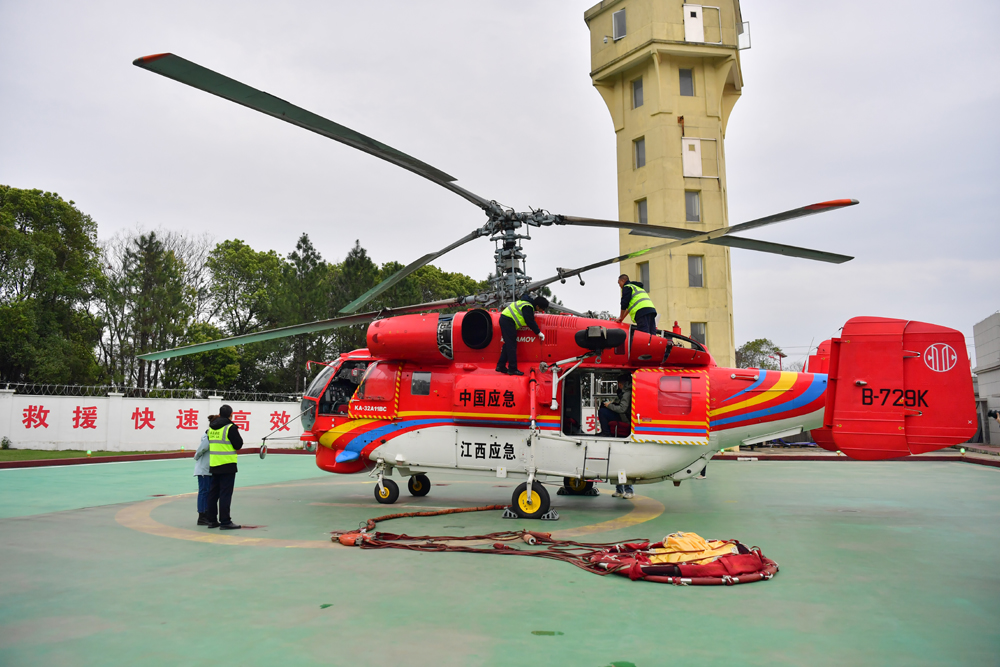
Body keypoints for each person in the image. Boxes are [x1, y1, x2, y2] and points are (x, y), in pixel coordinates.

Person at [204, 404, 244, 530]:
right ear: (231, 415)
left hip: (214, 463)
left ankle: (211, 520)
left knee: (213, 494)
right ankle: (225, 521)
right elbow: (238, 444)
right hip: (227, 464)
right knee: (225, 494)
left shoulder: (211, 428)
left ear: (219, 414)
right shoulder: (230, 427)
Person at [599, 374, 634, 499]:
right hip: (622, 417)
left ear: (623, 383)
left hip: (624, 419)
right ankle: (619, 489)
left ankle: (629, 490)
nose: (618, 385)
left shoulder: (627, 393)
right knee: (617, 463)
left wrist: (610, 406)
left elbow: (622, 409)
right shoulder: (623, 392)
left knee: (623, 463)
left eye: (619, 383)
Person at [496, 295, 548, 376]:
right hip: (508, 321)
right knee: (511, 346)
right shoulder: (528, 307)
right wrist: (538, 332)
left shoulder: (526, 303)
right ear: (537, 306)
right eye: (542, 309)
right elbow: (529, 321)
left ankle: (500, 366)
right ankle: (512, 369)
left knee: (508, 344)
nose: (542, 311)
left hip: (506, 320)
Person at [193, 414, 218, 526]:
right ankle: (202, 515)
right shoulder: (208, 434)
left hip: (210, 468)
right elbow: (202, 448)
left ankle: (207, 514)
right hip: (204, 469)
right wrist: (196, 456)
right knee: (204, 492)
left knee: (209, 492)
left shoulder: (213, 434)